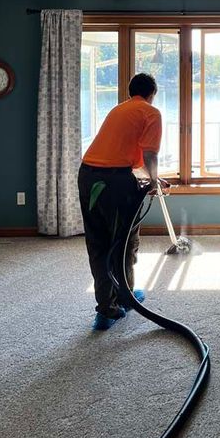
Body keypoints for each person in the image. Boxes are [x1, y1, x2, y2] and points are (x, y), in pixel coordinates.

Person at [78, 72, 168, 331]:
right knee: (124, 240)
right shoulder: (151, 113)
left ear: (131, 92)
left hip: (88, 176)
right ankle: (126, 298)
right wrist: (153, 180)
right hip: (115, 182)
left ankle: (105, 308)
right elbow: (150, 154)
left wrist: (152, 180)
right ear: (152, 93)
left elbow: (119, 156)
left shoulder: (119, 110)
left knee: (98, 242)